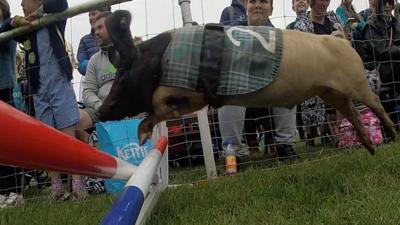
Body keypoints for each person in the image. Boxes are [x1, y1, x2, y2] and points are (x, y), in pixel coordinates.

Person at [5, 0, 85, 200]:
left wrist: (39, 13)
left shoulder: (54, 19)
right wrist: (15, 22)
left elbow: (60, 2)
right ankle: (56, 187)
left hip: (59, 82)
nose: (22, 3)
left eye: (26, 0)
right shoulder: (27, 28)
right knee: (48, 138)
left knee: (68, 133)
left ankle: (76, 184)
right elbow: (4, 27)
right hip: (39, 89)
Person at [294, 0, 344, 147]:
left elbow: (347, 42)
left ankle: (342, 130)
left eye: (326, 0)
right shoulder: (302, 25)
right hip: (316, 72)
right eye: (320, 1)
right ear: (311, 3)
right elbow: (302, 54)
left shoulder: (334, 19)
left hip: (337, 68)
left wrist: (342, 38)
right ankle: (331, 132)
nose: (324, 4)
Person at [358, 0, 400, 128]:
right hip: (379, 70)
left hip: (394, 68)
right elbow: (381, 51)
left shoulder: (395, 23)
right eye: (384, 2)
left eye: (390, 2)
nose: (387, 6)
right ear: (378, 5)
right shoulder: (371, 26)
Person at [76, 11, 116, 141]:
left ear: (112, 27)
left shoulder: (131, 53)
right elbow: (88, 91)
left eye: (100, 28)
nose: (96, 32)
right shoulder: (94, 60)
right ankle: (94, 145)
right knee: (71, 121)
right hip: (100, 109)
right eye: (95, 29)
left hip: (128, 108)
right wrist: (101, 107)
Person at [0, 0, 25, 199]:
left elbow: (6, 29)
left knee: (7, 140)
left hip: (5, 89)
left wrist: (8, 24)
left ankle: (15, 190)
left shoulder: (8, 27)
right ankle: (2, 190)